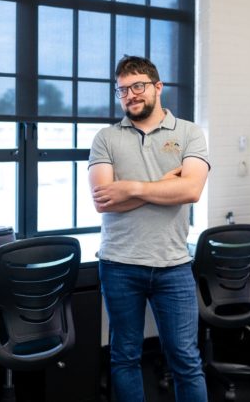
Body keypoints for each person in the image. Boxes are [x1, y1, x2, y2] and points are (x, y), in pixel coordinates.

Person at [88, 55, 210, 402]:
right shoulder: (106, 138)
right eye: (122, 90)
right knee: (124, 357)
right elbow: (103, 201)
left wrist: (131, 187)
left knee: (186, 360)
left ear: (158, 87)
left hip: (173, 266)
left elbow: (190, 190)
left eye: (138, 86)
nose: (130, 95)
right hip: (119, 265)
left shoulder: (189, 133)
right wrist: (161, 185)